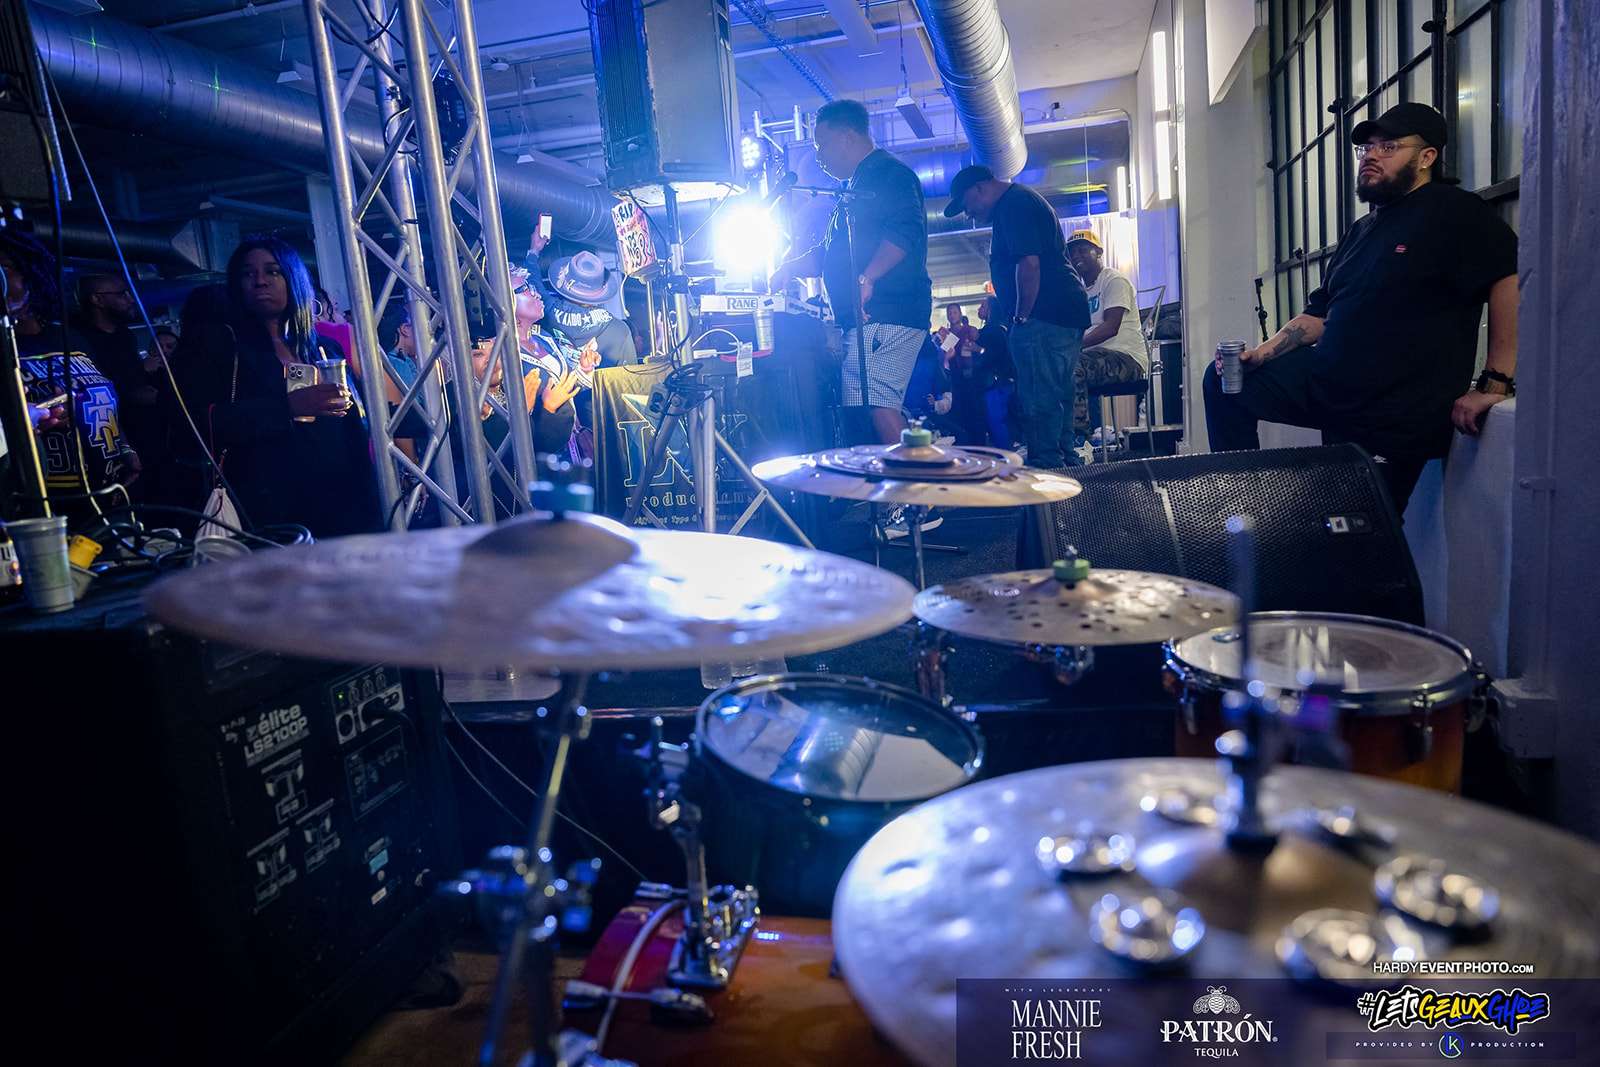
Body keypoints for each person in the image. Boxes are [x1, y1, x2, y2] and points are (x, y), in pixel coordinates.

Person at [1202, 102, 1518, 514]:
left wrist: (1495, 383)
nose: (1371, 155)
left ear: (1427, 157)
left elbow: (1507, 277)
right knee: (1226, 382)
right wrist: (1260, 355)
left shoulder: (1454, 211)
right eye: (1367, 148)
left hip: (1393, 408)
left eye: (1388, 147)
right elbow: (1318, 316)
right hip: (1332, 385)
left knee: (1356, 532)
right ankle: (1241, 504)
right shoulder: (1362, 230)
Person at [186, 235, 381, 539]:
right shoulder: (221, 347)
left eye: (272, 271)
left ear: (293, 278)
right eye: (248, 273)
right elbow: (196, 425)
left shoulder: (324, 347)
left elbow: (354, 429)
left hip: (342, 507)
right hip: (267, 513)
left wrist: (371, 501)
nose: (260, 281)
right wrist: (287, 407)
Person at [770, 98, 933, 448]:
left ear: (846, 137)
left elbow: (905, 232)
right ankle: (898, 476)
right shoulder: (855, 187)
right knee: (868, 403)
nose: (818, 156)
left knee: (876, 401)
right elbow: (829, 254)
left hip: (887, 310)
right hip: (870, 317)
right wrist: (789, 267)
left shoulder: (888, 174)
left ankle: (916, 478)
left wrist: (867, 277)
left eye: (822, 144)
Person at [945, 164, 1091, 468]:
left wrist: (1021, 317)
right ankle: (1066, 465)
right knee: (1058, 394)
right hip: (1061, 312)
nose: (968, 214)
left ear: (979, 188)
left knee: (1038, 397)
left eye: (966, 205)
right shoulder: (1018, 202)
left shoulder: (1014, 205)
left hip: (1044, 315)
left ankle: (1049, 471)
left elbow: (1029, 265)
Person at [0, 229, 139, 524]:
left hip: (108, 490)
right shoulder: (5, 346)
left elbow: (101, 392)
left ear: (31, 274)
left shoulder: (69, 337)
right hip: (45, 504)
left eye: (4, 268)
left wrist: (124, 447)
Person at [1065, 230, 1147, 448]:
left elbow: (1111, 327)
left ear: (1099, 252)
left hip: (1126, 359)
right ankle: (1059, 440)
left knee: (1073, 366)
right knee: (1055, 367)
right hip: (1095, 358)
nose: (1076, 256)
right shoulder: (1081, 291)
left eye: (1082, 250)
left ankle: (1079, 442)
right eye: (1072, 253)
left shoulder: (1113, 280)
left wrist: (1074, 348)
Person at [524, 230, 636, 368]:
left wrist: (534, 250)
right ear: (600, 293)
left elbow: (532, 283)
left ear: (564, 284)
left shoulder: (546, 311)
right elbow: (630, 377)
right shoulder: (620, 331)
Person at [972, 296, 1015, 448]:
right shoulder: (997, 329)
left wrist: (978, 349)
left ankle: (1005, 455)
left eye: (983, 306)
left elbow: (993, 355)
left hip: (996, 384)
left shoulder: (993, 331)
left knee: (996, 421)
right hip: (998, 383)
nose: (979, 309)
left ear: (991, 310)